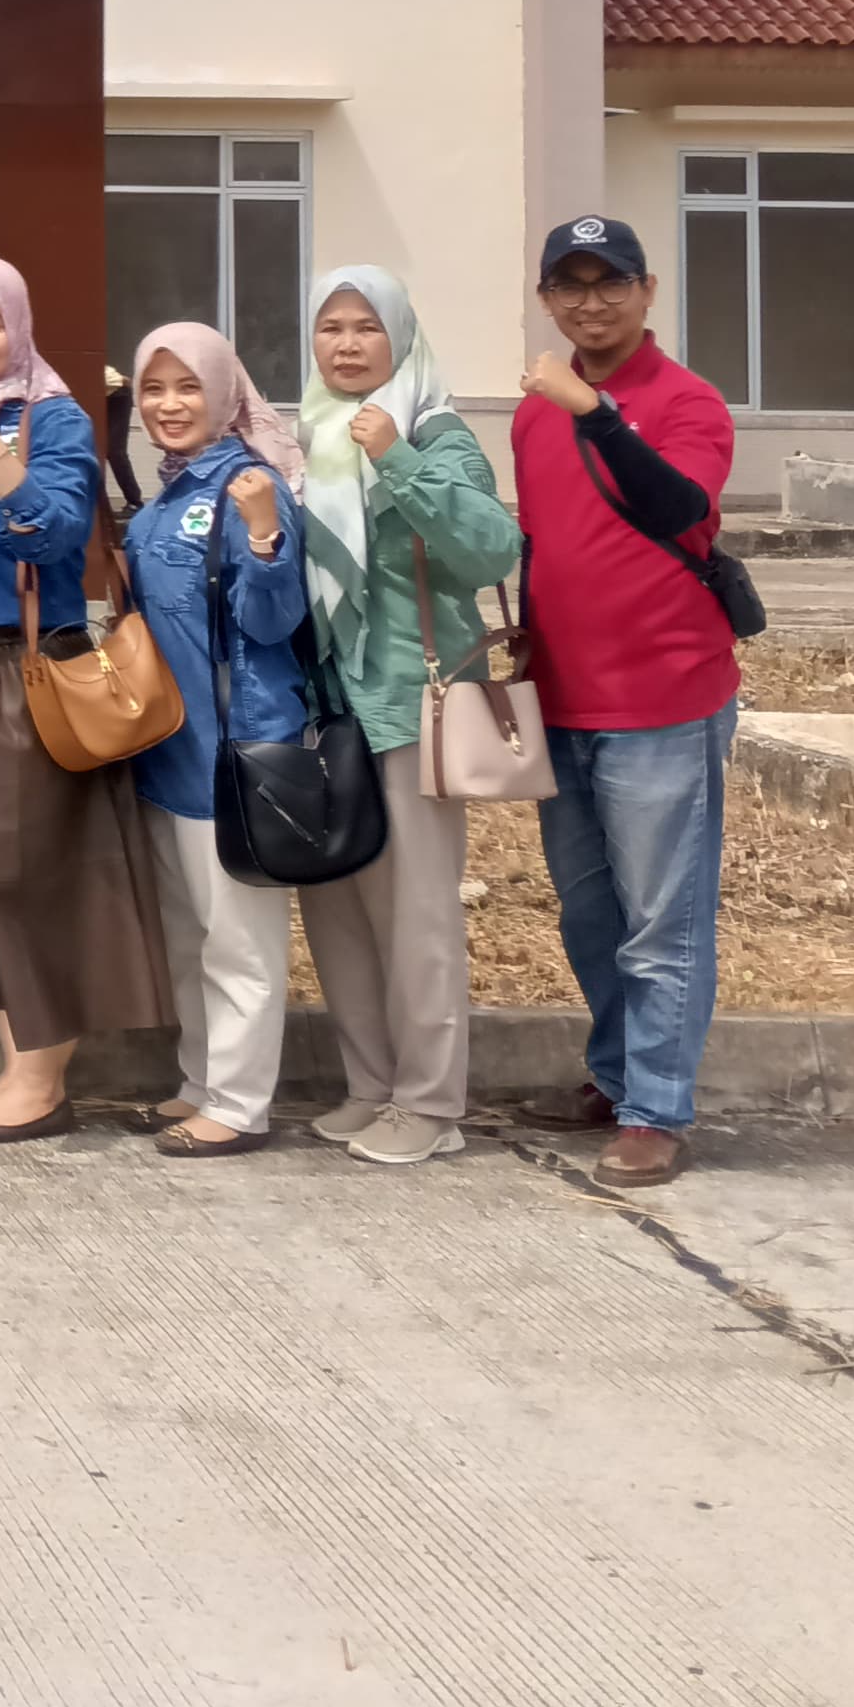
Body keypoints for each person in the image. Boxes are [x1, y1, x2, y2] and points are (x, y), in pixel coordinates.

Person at [0, 253, 169, 1143]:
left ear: (19, 329)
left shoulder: (54, 418)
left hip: (26, 669)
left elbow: (54, 534)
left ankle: (42, 1080)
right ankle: (19, 1064)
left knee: (28, 874)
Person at [512, 215, 740, 1189]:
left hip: (661, 699)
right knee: (587, 913)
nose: (590, 301)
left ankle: (655, 1109)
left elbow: (675, 510)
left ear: (648, 292)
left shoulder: (686, 403)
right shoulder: (530, 414)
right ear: (544, 299)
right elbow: (545, 542)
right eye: (569, 284)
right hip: (560, 700)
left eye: (611, 282)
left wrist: (593, 413)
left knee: (662, 918)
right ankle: (612, 1077)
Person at [298, 266, 523, 1167]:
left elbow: (487, 549)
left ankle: (431, 1103)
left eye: (365, 328)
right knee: (340, 907)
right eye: (330, 328)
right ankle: (372, 1085)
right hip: (328, 706)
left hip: (410, 704)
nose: (347, 345)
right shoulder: (308, 435)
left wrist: (395, 456)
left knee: (417, 913)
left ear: (400, 337)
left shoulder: (435, 431)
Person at [120, 324, 310, 1160]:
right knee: (191, 935)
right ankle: (200, 1082)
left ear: (226, 393)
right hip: (167, 755)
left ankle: (239, 1103)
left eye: (187, 387)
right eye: (153, 389)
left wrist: (265, 537)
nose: (168, 405)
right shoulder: (164, 495)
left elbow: (274, 621)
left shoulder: (248, 483)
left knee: (239, 941)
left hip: (234, 755)